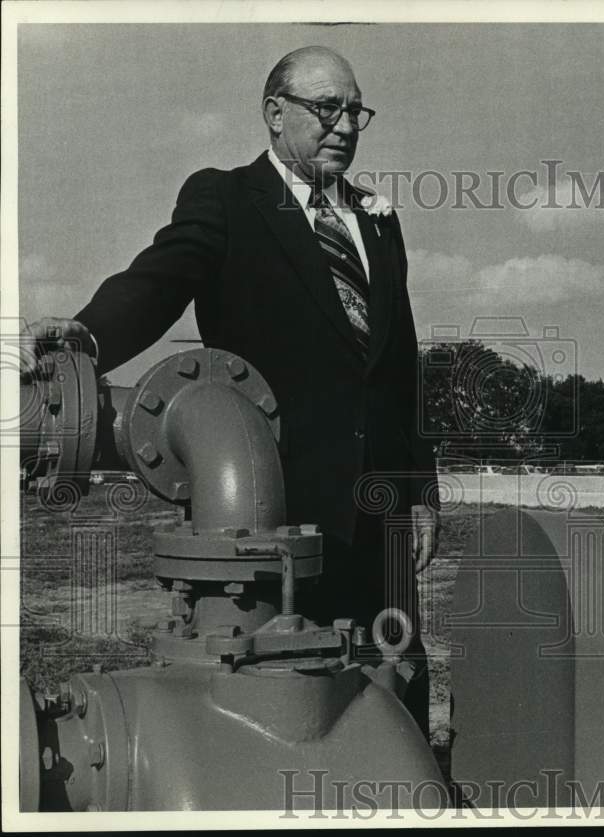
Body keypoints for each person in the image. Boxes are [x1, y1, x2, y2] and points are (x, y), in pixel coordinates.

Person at [20, 46, 439, 738]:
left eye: (355, 110)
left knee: (395, 685)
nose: (344, 124)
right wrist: (89, 336)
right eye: (325, 107)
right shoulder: (225, 198)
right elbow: (160, 279)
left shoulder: (377, 218)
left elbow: (399, 362)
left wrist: (422, 486)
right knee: (292, 696)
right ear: (275, 113)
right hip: (281, 510)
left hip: (383, 517)